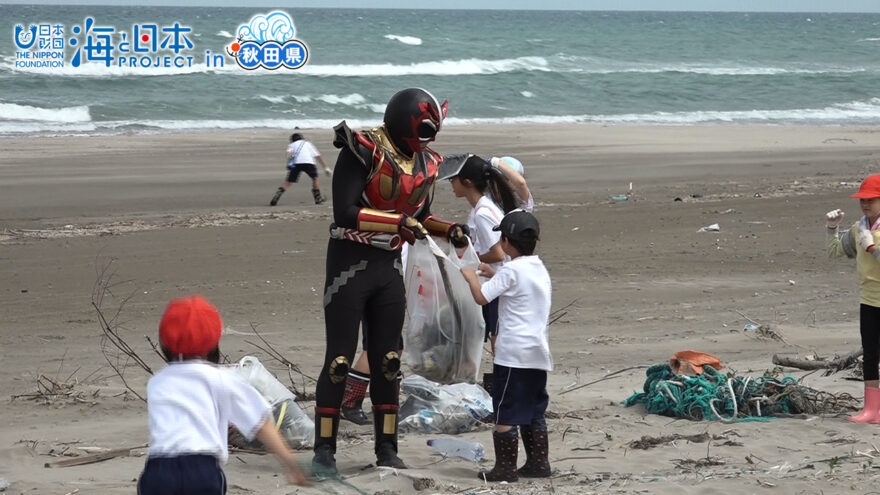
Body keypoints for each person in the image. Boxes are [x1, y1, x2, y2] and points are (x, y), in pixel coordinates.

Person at [313, 88, 468, 476]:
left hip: (388, 268)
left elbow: (421, 217)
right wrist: (397, 223)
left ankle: (387, 447)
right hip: (350, 264)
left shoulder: (426, 164)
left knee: (388, 361)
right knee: (340, 359)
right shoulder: (361, 148)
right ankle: (324, 451)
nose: (428, 138)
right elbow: (345, 212)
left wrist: (450, 229)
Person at [137, 295, 309, 494]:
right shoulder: (221, 379)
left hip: (158, 471)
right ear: (213, 344)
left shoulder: (157, 383)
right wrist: (290, 461)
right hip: (201, 470)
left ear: (165, 344)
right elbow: (259, 422)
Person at [460, 210, 552, 482]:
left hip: (513, 354)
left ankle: (505, 469)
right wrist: (491, 272)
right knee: (535, 408)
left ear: (507, 241)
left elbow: (482, 297)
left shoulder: (511, 270)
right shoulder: (538, 267)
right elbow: (512, 286)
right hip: (538, 353)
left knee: (505, 409)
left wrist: (471, 277)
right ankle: (539, 463)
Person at [438, 154, 519, 353]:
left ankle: (501, 375)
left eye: (453, 180)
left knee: (496, 334)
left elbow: (498, 254)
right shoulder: (482, 208)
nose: (451, 184)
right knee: (493, 332)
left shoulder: (483, 213)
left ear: (467, 182)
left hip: (496, 280)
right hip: (495, 279)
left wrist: (469, 261)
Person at [826, 174, 880, 424]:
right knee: (870, 354)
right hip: (869, 301)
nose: (866, 205)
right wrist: (833, 228)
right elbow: (836, 253)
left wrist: (873, 248)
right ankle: (871, 411)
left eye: (871, 200)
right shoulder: (859, 228)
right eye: (862, 200)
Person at [269, 132, 332, 206]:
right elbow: (318, 155)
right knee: (315, 178)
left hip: (296, 163)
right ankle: (317, 198)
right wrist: (325, 167)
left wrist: (289, 162)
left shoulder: (291, 145)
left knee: (288, 182)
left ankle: (277, 195)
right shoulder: (308, 143)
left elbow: (289, 154)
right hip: (309, 162)